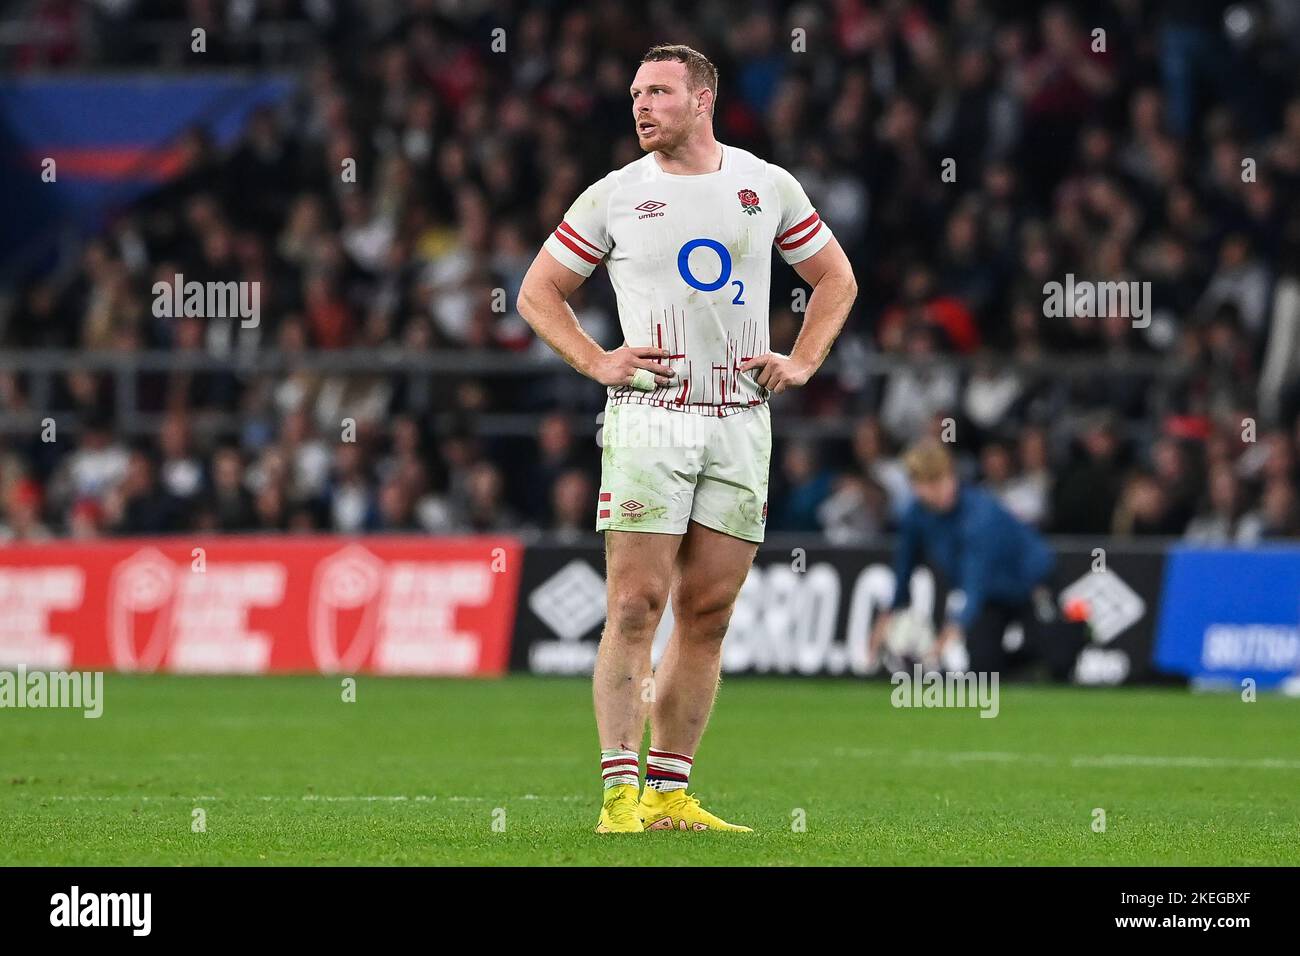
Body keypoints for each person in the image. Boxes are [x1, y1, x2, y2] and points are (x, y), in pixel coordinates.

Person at [517, 44, 857, 833]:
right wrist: (600, 361)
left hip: (741, 420)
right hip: (652, 420)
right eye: (636, 93)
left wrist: (804, 360)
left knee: (708, 612)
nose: (641, 105)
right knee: (636, 605)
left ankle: (670, 794)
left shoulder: (765, 186)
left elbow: (834, 278)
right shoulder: (615, 195)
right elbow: (538, 293)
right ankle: (616, 796)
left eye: (659, 92)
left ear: (702, 99)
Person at [870, 438, 1086, 681]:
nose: (940, 490)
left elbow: (975, 578)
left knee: (1059, 660)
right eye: (928, 483)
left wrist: (950, 632)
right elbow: (904, 568)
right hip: (991, 596)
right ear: (915, 486)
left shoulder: (980, 514)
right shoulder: (915, 517)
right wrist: (887, 616)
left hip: (1033, 582)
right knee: (983, 670)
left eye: (942, 479)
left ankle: (1077, 631)